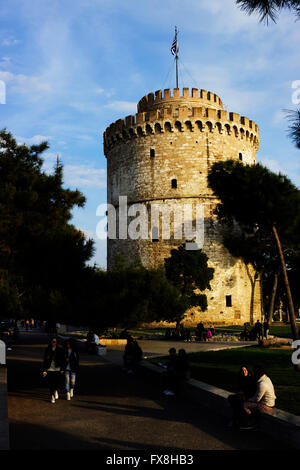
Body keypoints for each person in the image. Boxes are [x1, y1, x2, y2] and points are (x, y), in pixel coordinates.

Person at [243, 365, 276, 429]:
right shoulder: (266, 378)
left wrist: (247, 400)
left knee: (245, 405)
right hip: (270, 403)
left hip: (266, 405)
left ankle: (250, 424)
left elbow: (256, 399)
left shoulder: (262, 384)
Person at [42, 337, 65, 403]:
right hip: (49, 369)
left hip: (57, 369)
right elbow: (45, 360)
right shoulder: (48, 349)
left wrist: (62, 368)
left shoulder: (60, 350)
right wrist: (44, 369)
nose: (53, 343)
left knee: (57, 383)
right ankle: (52, 396)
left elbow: (63, 360)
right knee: (51, 383)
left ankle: (56, 390)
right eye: (52, 341)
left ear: (57, 342)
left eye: (55, 341)